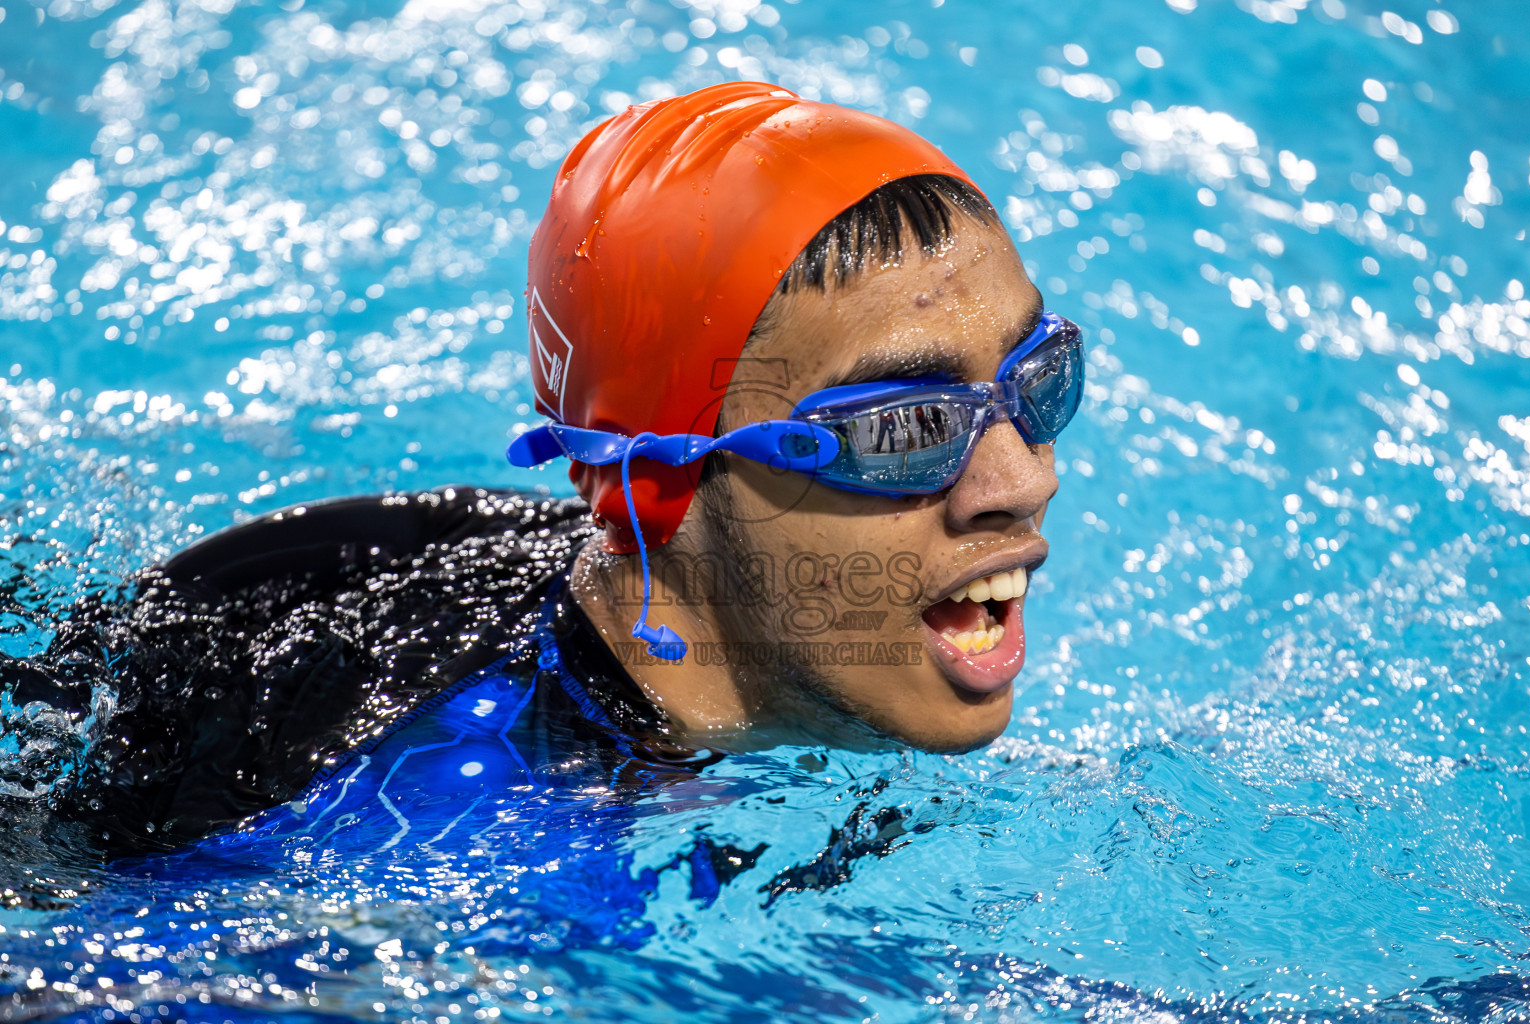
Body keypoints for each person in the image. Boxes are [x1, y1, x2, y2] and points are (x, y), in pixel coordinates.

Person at [1, 81, 1081, 862]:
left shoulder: (681, 634)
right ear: (660, 483)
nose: (1024, 480)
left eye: (1041, 378)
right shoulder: (447, 830)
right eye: (907, 426)